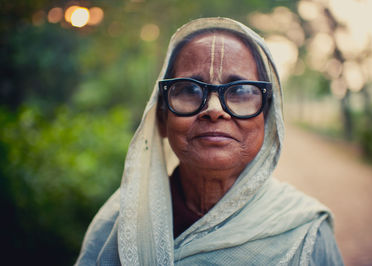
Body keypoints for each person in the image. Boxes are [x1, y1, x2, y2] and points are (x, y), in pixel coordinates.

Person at [75, 17, 344, 265]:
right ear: (161, 117)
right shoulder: (117, 226)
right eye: (190, 89)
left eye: (240, 90)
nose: (214, 109)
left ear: (268, 120)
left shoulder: (306, 234)